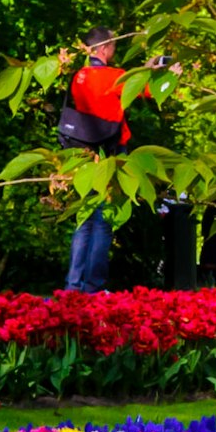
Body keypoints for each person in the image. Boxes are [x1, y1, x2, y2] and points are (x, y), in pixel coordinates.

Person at [58, 34, 132, 293]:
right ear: (103, 48)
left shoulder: (78, 76)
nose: (114, 50)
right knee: (103, 220)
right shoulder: (115, 76)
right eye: (113, 45)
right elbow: (144, 88)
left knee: (83, 218)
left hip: (81, 153)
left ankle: (73, 285)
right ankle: (93, 286)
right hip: (109, 153)